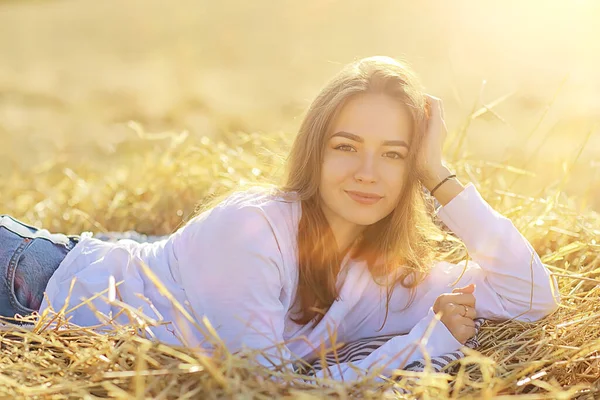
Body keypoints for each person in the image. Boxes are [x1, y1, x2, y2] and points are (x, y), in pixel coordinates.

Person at [0, 56, 560, 382]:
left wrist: (439, 174)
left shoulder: (387, 271)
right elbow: (266, 385)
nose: (368, 172)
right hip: (36, 284)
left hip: (169, 268)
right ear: (313, 151)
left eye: (393, 154)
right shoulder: (255, 228)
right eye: (346, 146)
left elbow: (532, 294)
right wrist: (426, 344)